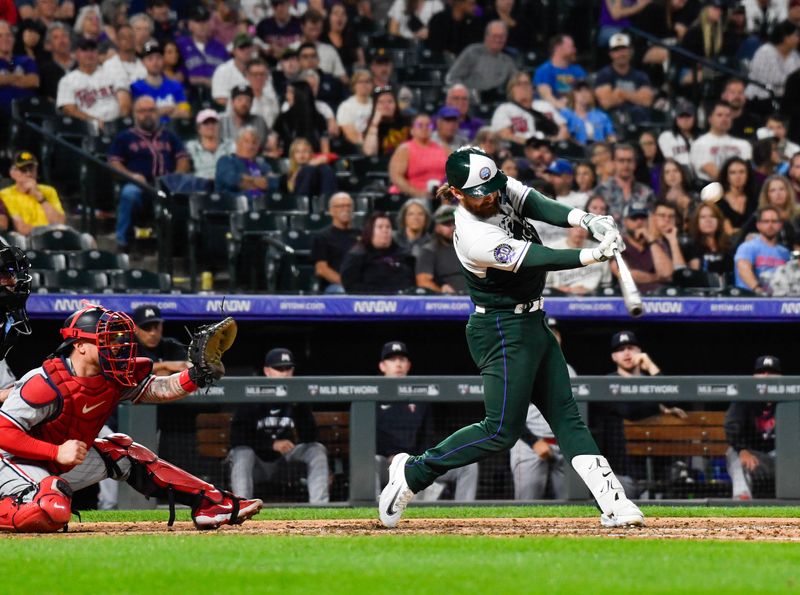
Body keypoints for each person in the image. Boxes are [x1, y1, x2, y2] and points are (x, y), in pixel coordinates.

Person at [378, 146, 646, 529]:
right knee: (501, 430)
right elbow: (534, 256)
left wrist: (587, 219)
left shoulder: (494, 185)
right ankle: (413, 473)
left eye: (492, 189)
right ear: (457, 193)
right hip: (500, 329)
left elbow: (536, 202)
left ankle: (613, 501)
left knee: (567, 416)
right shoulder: (472, 234)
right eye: (479, 194)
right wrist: (591, 256)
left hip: (534, 320)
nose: (491, 198)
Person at [0, 304, 261, 532]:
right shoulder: (44, 382)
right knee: (50, 510)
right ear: (79, 346)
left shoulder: (111, 375)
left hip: (54, 464)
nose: (116, 346)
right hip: (11, 463)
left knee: (122, 451)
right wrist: (55, 451)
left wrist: (196, 375)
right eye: (106, 339)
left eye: (116, 338)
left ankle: (212, 504)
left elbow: (158, 389)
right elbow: (3, 431)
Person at [375, 341, 478, 501]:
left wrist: (421, 459)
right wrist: (389, 454)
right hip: (386, 463)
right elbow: (368, 438)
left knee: (468, 466)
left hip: (417, 461)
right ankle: (372, 511)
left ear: (408, 365)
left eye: (402, 360)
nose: (398, 364)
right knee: (371, 462)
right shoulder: (372, 395)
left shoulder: (420, 396)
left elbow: (428, 435)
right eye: (392, 359)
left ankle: (463, 513)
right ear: (382, 366)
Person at [590, 330, 686, 497]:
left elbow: (672, 398)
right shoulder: (607, 382)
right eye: (620, 349)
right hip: (618, 471)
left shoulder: (650, 382)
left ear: (639, 352)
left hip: (654, 472)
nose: (627, 353)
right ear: (614, 357)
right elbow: (629, 411)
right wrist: (658, 408)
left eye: (630, 347)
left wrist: (650, 366)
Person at [228, 348, 330, 504]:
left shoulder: (298, 396)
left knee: (316, 449)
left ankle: (319, 506)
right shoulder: (251, 394)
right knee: (242, 453)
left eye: (287, 368)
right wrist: (271, 444)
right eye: (279, 369)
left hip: (286, 464)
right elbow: (237, 438)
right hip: (257, 465)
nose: (284, 373)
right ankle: (242, 506)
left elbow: (311, 437)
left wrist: (299, 406)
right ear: (267, 371)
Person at [108, 95, 190, 251]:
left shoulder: (170, 136)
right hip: (139, 185)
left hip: (165, 186)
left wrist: (175, 178)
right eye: (142, 111)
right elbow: (114, 163)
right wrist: (131, 176)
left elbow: (183, 159)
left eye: (151, 110)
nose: (147, 114)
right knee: (129, 194)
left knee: (185, 196)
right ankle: (122, 242)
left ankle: (178, 247)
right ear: (135, 114)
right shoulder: (124, 137)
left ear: (158, 113)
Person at [510, 317, 572, 500]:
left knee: (573, 506)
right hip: (530, 445)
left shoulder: (570, 371)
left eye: (555, 332)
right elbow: (509, 414)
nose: (551, 336)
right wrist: (533, 441)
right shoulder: (521, 368)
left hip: (562, 446)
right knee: (526, 507)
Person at [725, 355, 780, 500]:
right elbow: (732, 426)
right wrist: (742, 450)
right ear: (754, 376)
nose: (766, 376)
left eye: (771, 372)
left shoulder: (790, 399)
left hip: (783, 459)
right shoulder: (745, 398)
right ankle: (742, 502)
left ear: (780, 377)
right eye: (762, 372)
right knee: (733, 453)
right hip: (754, 458)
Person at [56, 37, 130, 132]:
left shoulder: (112, 72)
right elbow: (69, 109)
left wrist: (119, 122)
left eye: (92, 50)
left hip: (117, 125)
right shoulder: (67, 80)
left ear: (97, 53)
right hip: (88, 129)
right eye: (84, 50)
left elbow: (125, 101)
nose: (89, 54)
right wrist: (93, 121)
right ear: (76, 55)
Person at [340, 211, 416, 294]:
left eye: (388, 227)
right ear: (370, 231)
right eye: (380, 227)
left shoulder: (402, 254)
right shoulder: (357, 255)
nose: (385, 231)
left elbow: (410, 282)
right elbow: (351, 286)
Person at [614, 199, 673, 294]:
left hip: (658, 297)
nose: (639, 222)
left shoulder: (657, 244)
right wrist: (656, 277)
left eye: (643, 218)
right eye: (634, 218)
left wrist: (652, 241)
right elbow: (626, 275)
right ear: (625, 222)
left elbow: (666, 273)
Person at [593, 33, 654, 124]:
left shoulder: (641, 76)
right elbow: (606, 103)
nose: (621, 54)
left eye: (623, 49)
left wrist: (622, 94)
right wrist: (636, 96)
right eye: (616, 50)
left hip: (640, 120)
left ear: (630, 51)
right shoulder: (604, 75)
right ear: (611, 54)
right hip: (614, 122)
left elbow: (647, 101)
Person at [0, 151, 65, 235]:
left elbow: (60, 222)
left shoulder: (49, 191)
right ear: (13, 173)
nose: (28, 174)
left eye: (31, 169)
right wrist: (49, 229)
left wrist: (40, 198)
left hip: (53, 238)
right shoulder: (5, 194)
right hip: (28, 243)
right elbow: (22, 229)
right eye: (23, 170)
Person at [490, 72, 562, 148]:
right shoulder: (504, 109)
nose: (523, 87)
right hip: (519, 150)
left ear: (532, 88)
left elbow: (563, 129)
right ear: (511, 89)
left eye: (526, 83)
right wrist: (532, 144)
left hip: (549, 149)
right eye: (518, 84)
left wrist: (548, 143)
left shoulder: (545, 105)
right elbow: (504, 135)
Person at [745, 20, 800, 116]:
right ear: (785, 37)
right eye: (796, 35)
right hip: (761, 97)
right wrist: (792, 83)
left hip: (784, 97)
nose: (798, 39)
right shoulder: (765, 52)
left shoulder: (794, 55)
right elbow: (772, 79)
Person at [444, 21, 516, 94]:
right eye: (495, 36)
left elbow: (516, 83)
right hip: (470, 101)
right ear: (486, 37)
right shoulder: (472, 52)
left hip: (498, 102)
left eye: (502, 36)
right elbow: (451, 78)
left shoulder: (507, 61)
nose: (498, 40)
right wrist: (467, 93)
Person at [690, 101, 753, 183]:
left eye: (728, 116)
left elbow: (747, 171)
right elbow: (712, 172)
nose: (724, 119)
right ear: (710, 119)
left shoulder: (744, 144)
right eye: (719, 115)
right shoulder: (700, 144)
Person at [388, 113, 448, 199]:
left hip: (441, 197)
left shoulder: (443, 148)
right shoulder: (405, 149)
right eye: (420, 125)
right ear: (412, 130)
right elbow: (396, 177)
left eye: (428, 125)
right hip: (412, 196)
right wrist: (417, 193)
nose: (424, 128)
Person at [734, 205, 792, 293]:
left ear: (780, 225)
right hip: (750, 299)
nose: (770, 225)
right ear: (758, 225)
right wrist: (757, 289)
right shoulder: (747, 247)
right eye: (766, 221)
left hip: (779, 299)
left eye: (774, 221)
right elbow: (743, 268)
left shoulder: (785, 252)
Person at [593, 143, 656, 223]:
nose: (626, 165)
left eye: (629, 161)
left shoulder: (646, 193)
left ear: (635, 164)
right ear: (614, 163)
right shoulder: (601, 191)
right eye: (621, 160)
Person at [131, 40, 191, 123]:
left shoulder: (175, 85)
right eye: (150, 59)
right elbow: (139, 117)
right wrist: (170, 109)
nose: (155, 62)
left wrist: (155, 112)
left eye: (158, 57)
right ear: (143, 62)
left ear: (163, 60)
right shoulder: (136, 88)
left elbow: (185, 112)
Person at [312, 192, 361, 293]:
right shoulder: (322, 237)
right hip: (336, 285)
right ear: (331, 211)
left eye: (348, 206)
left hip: (359, 284)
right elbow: (321, 269)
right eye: (341, 206)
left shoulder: (362, 235)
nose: (346, 209)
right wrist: (347, 284)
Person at [215, 126, 275, 204]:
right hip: (235, 207)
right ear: (237, 142)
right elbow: (232, 181)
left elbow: (273, 183)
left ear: (258, 146)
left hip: (264, 206)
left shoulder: (263, 165)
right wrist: (256, 181)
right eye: (246, 141)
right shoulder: (226, 161)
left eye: (254, 142)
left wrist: (246, 181)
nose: (250, 146)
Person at [176, 5, 229, 91]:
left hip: (216, 94)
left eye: (205, 21)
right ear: (190, 25)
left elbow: (228, 73)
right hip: (189, 94)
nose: (202, 25)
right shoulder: (180, 45)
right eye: (198, 21)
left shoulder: (220, 47)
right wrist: (200, 80)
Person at [546, 226, 612, 295]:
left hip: (593, 299)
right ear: (567, 229)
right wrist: (565, 290)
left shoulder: (600, 250)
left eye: (584, 228)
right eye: (575, 227)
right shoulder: (553, 250)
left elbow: (606, 285)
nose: (580, 231)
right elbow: (546, 286)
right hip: (560, 297)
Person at [415, 204, 465, 293]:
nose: (452, 227)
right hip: (448, 301)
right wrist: (441, 292)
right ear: (437, 227)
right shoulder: (429, 251)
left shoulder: (471, 247)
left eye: (455, 223)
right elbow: (423, 281)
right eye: (446, 224)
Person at [273, 80, 330, 154]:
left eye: (290, 92)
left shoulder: (319, 119)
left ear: (300, 94)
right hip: (289, 161)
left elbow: (325, 149)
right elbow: (275, 146)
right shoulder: (282, 118)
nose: (286, 96)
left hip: (315, 161)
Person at [533, 34, 587, 111]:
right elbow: (544, 94)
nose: (574, 50)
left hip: (577, 110)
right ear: (558, 48)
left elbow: (585, 93)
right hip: (552, 111)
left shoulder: (578, 70)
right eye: (571, 47)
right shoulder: (543, 70)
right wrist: (561, 106)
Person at [131, 304, 187, 376]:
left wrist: (164, 376)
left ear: (161, 325)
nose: (153, 333)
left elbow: (186, 366)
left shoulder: (171, 344)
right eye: (147, 328)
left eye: (156, 327)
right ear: (136, 328)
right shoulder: (129, 346)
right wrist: (164, 365)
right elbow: (130, 369)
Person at [0, 19, 38, 117]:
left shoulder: (26, 60)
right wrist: (18, 77)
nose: (5, 39)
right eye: (0, 36)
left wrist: (5, 79)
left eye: (8, 35)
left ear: (14, 38)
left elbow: (33, 81)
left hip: (29, 115)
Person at [686, 202, 734, 276]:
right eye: (703, 217)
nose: (708, 220)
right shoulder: (690, 247)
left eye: (712, 216)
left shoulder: (729, 246)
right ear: (696, 222)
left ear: (719, 221)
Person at [362, 85, 410, 157]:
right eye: (381, 102)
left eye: (390, 101)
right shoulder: (372, 126)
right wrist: (374, 124)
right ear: (375, 107)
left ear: (396, 105)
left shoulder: (407, 122)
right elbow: (370, 153)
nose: (386, 105)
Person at [185, 109, 233, 180]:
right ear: (199, 128)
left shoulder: (230, 145)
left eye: (213, 122)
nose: (210, 126)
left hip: (226, 186)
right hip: (200, 186)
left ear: (219, 126)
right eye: (206, 123)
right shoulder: (191, 147)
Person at [211, 32, 256, 107]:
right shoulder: (223, 70)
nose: (246, 51)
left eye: (248, 47)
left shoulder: (259, 69)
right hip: (231, 114)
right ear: (234, 50)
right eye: (242, 47)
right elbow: (220, 99)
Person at [219, 84, 269, 149]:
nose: (243, 104)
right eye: (239, 100)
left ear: (251, 103)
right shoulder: (222, 121)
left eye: (247, 100)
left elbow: (261, 146)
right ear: (232, 102)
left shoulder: (259, 121)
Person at [717, 156, 758, 235]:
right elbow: (729, 232)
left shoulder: (755, 199)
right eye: (733, 172)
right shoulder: (719, 202)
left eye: (742, 172)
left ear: (747, 175)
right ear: (727, 177)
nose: (738, 176)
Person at [101, 24, 146, 90]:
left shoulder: (144, 65)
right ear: (117, 41)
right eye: (123, 37)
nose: (128, 39)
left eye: (131, 36)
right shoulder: (108, 65)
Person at [37, 22, 73, 103]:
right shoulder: (45, 71)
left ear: (70, 40)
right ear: (49, 45)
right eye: (56, 38)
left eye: (64, 36)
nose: (61, 41)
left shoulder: (80, 65)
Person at [336, 69, 373, 148]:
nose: (364, 85)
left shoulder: (377, 104)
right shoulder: (346, 106)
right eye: (360, 82)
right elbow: (350, 134)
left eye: (367, 82)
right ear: (354, 85)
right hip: (356, 147)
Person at [658, 100, 697, 169]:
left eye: (688, 116)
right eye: (681, 116)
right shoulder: (666, 136)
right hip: (678, 173)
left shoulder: (703, 137)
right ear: (676, 119)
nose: (685, 119)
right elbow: (670, 160)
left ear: (694, 118)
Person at [658, 158, 696, 226]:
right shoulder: (660, 201)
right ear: (663, 177)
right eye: (667, 172)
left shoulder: (694, 197)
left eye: (675, 171)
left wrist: (688, 207)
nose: (672, 175)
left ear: (682, 174)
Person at [244, 57, 280, 129]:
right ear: (247, 76)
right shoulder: (239, 99)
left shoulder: (272, 101)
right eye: (255, 74)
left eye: (262, 74)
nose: (259, 78)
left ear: (267, 76)